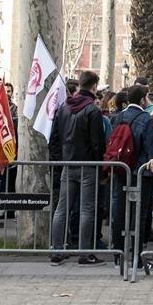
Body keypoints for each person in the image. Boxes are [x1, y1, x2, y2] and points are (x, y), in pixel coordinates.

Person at [49, 70, 107, 266]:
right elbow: (97, 143)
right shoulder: (92, 110)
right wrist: (100, 165)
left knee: (62, 209)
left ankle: (56, 250)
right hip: (88, 165)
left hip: (68, 164)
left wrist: (61, 159)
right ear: (93, 87)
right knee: (86, 209)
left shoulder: (63, 108)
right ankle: (84, 253)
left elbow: (54, 140)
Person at [109, 85, 153, 269]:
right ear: (144, 99)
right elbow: (151, 148)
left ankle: (118, 255)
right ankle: (137, 256)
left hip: (121, 170)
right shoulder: (146, 119)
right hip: (141, 173)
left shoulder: (118, 117)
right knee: (139, 215)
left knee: (119, 212)